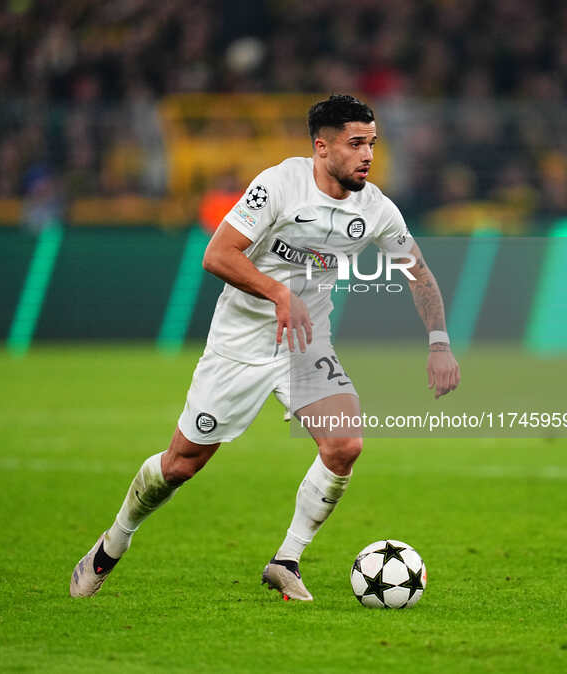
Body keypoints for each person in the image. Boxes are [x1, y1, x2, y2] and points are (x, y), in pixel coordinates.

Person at [70, 95, 460, 601]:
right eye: (356, 143)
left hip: (305, 344)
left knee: (344, 445)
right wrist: (278, 292)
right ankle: (113, 541)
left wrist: (438, 342)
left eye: (373, 144)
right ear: (322, 148)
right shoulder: (279, 185)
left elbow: (418, 272)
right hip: (240, 346)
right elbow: (218, 254)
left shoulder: (377, 209)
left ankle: (286, 559)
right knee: (180, 466)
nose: (368, 155)